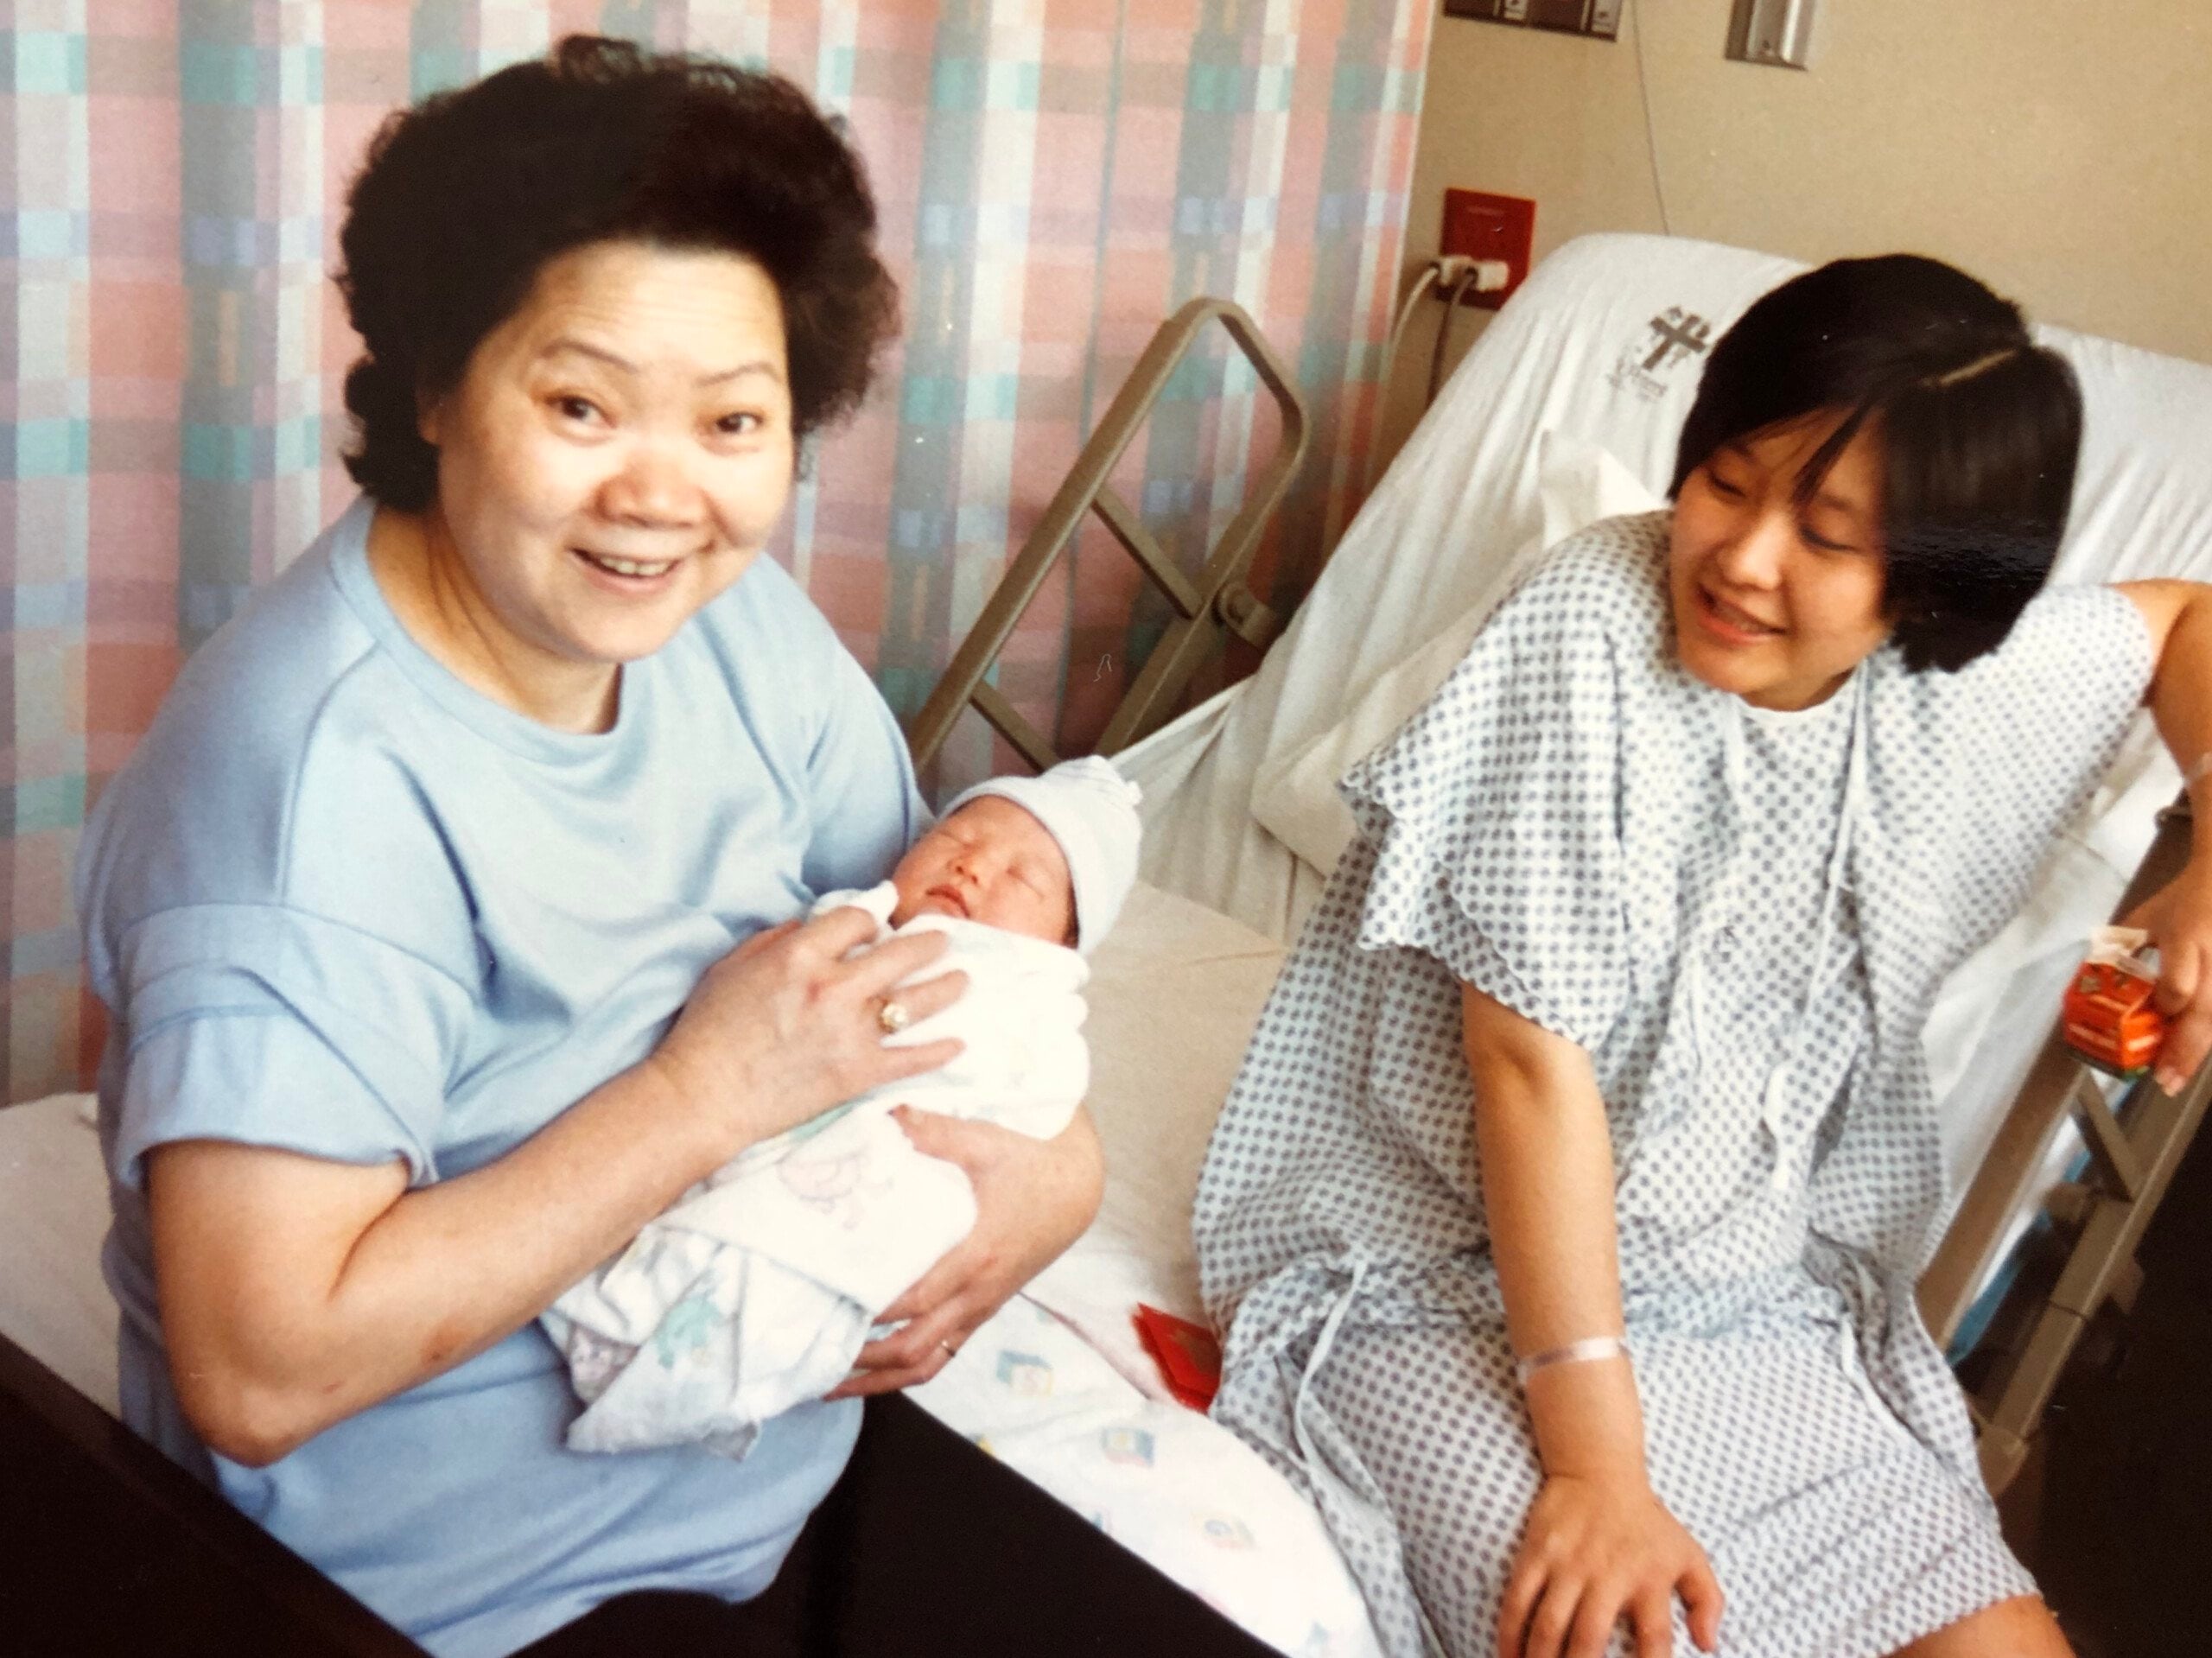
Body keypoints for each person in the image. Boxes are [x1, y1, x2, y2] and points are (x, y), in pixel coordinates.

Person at [73, 37, 1104, 1658]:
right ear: (429, 385)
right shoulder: (305, 789)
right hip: (464, 1600)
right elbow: (263, 1369)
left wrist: (1063, 1168)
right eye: (579, 402)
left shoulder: (734, 627)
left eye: (731, 419)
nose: (660, 491)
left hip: (761, 1491)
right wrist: (705, 1092)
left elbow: (942, 940)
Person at [1191, 254, 2212, 1658]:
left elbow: (2184, 621)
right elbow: (1524, 1058)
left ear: (1931, 582)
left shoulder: (1947, 680)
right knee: (1624, 1624)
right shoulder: (1590, 619)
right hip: (1447, 1282)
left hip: (1754, 1308)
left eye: (1831, 533)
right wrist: (1599, 1472)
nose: (1741, 556)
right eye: (1728, 481)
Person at [543, 758, 1143, 1458]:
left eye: (1022, 878)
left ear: (1064, 944)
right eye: (957, 838)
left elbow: (1038, 1100)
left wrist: (1059, 1179)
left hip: (900, 1149)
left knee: (855, 1234)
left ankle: (703, 1345)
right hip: (751, 1118)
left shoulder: (1030, 994)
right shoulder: (855, 915)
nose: (973, 867)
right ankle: (653, 1310)